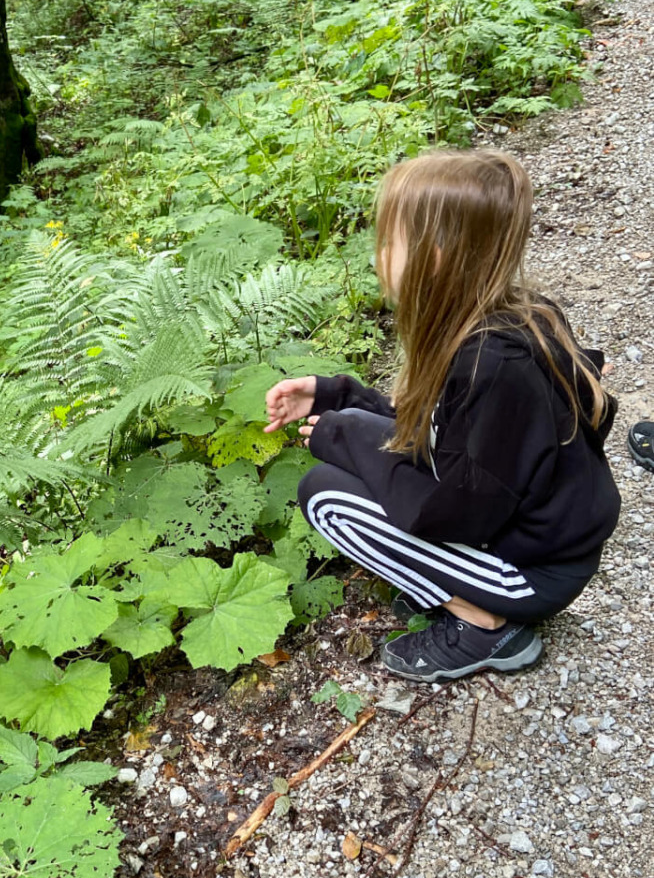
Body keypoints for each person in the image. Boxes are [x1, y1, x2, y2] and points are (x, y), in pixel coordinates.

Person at [264, 148, 620, 683]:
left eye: (388, 241)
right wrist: (336, 397)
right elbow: (437, 435)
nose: (377, 254)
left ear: (434, 258)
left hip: (533, 572)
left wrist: (344, 437)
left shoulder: (490, 367)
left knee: (325, 494)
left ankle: (486, 627)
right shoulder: (505, 320)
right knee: (356, 457)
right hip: (536, 539)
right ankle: (458, 588)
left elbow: (453, 514)